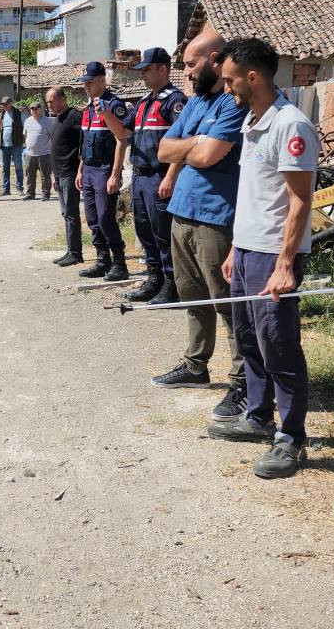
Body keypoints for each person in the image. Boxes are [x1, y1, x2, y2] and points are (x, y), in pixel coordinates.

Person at [205, 38, 318, 479]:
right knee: (249, 339)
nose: (227, 87)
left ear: (253, 77)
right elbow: (255, 197)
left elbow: (299, 201)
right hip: (248, 250)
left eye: (231, 79)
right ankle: (257, 415)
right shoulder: (254, 123)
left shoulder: (291, 126)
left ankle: (291, 438)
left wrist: (286, 264)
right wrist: (236, 246)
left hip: (274, 255)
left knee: (279, 345)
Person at [150, 29, 248, 416]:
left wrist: (193, 145)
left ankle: (242, 383)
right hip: (183, 212)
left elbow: (209, 157)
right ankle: (196, 366)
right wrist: (198, 142)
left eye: (191, 64)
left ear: (215, 58)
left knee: (227, 303)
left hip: (217, 217)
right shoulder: (196, 102)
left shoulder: (234, 102)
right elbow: (163, 149)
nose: (186, 73)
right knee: (193, 298)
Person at [113, 47, 186, 305]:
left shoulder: (174, 101)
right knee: (144, 230)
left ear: (163, 69)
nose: (142, 75)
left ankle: (171, 283)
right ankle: (154, 278)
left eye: (146, 70)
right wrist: (105, 114)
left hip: (160, 175)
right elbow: (123, 133)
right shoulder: (144, 102)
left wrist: (171, 177)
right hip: (140, 176)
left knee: (163, 232)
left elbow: (183, 142)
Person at [76, 61, 131, 281]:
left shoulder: (113, 105)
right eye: (84, 83)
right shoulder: (89, 109)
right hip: (89, 169)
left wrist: (115, 174)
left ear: (102, 80)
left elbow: (122, 139)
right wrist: (80, 170)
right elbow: (85, 143)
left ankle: (119, 262)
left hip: (105, 169)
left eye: (90, 82)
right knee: (91, 218)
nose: (86, 86)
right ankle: (102, 260)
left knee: (105, 217)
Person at [46, 86, 84, 266]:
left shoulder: (74, 116)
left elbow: (86, 139)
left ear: (62, 99)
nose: (49, 105)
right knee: (65, 214)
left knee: (71, 214)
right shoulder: (57, 120)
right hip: (59, 175)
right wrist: (54, 175)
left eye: (52, 101)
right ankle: (70, 250)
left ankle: (76, 253)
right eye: (47, 101)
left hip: (70, 173)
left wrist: (81, 169)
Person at [22, 102, 54, 200]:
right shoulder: (27, 121)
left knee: (45, 175)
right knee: (30, 175)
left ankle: (45, 194)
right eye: (32, 109)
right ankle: (30, 194)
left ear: (41, 109)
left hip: (44, 154)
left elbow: (52, 136)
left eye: (36, 109)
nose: (34, 111)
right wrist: (27, 148)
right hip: (30, 154)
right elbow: (25, 135)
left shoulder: (47, 121)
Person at [0, 96, 25, 196]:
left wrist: (25, 141)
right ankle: (6, 189)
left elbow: (25, 126)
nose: (3, 106)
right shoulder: (2, 114)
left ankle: (19, 188)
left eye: (5, 104)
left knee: (18, 167)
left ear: (10, 103)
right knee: (5, 168)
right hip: (4, 146)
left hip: (16, 144)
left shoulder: (18, 113)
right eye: (2, 104)